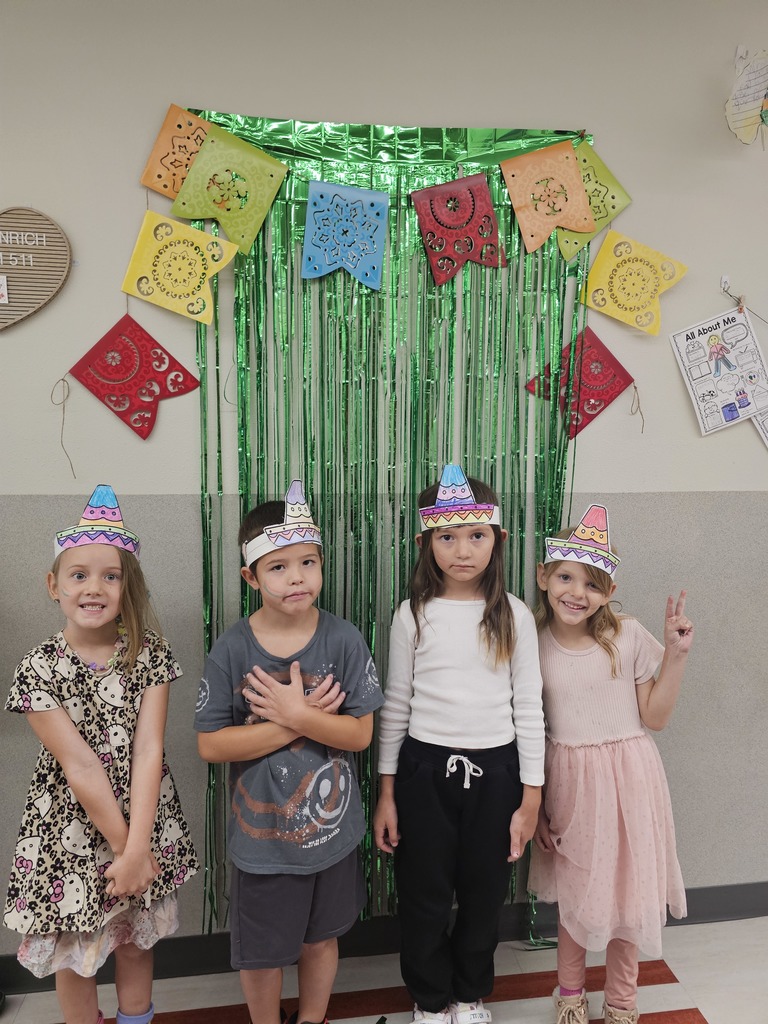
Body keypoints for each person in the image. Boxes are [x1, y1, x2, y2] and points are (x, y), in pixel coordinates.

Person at [3, 485, 199, 1024]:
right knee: (79, 954)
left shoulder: (149, 653)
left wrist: (139, 846)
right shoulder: (38, 668)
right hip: (70, 832)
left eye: (110, 576)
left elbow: (149, 748)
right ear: (54, 585)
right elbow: (81, 764)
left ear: (126, 585)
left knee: (136, 942)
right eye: (79, 575)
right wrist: (125, 852)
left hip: (143, 821)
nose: (95, 588)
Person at [194, 480, 384, 1024]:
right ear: (250, 577)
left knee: (320, 940)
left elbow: (360, 736)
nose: (297, 577)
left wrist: (302, 716)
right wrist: (296, 721)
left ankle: (312, 1018)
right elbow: (211, 744)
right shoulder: (232, 649)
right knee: (262, 954)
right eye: (278, 567)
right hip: (264, 844)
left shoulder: (344, 640)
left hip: (331, 833)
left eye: (307, 562)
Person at [373, 464, 545, 1024]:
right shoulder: (413, 615)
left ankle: (469, 997)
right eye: (447, 537)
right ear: (427, 543)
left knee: (483, 895)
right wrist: (388, 792)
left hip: (497, 775)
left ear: (499, 540)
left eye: (476, 536)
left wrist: (530, 799)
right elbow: (395, 707)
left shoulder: (514, 615)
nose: (462, 550)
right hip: (424, 773)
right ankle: (429, 999)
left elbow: (530, 712)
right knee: (422, 897)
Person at [528, 504, 693, 1024]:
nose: (577, 593)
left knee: (628, 893)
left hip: (631, 779)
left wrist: (675, 656)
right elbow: (527, 730)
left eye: (594, 585)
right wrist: (532, 808)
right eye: (566, 578)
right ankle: (571, 995)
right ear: (544, 576)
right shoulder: (531, 644)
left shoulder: (626, 634)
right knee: (577, 891)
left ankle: (622, 1002)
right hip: (570, 784)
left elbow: (656, 717)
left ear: (610, 593)